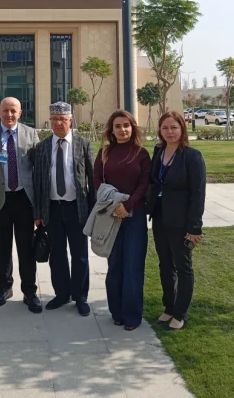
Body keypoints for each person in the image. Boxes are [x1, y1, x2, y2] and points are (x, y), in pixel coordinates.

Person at [0, 97, 41, 313]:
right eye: (5, 110)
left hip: (24, 199)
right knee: (1, 247)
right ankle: (4, 287)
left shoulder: (31, 134)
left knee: (26, 248)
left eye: (13, 111)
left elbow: (38, 169)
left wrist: (39, 204)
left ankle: (30, 291)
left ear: (20, 113)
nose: (9, 115)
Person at [34, 102, 95, 316]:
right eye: (54, 119)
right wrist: (38, 213)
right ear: (50, 121)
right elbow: (38, 181)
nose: (58, 123)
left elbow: (93, 179)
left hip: (77, 208)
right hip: (52, 208)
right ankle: (62, 294)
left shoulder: (82, 144)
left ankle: (80, 297)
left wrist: (94, 211)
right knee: (57, 255)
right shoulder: (42, 147)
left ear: (70, 120)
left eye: (63, 119)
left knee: (80, 255)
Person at [147, 111, 206, 330]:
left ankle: (180, 314)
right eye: (165, 128)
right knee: (165, 264)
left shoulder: (192, 156)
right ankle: (169, 307)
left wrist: (194, 227)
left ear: (182, 129)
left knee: (183, 266)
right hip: (160, 216)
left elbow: (198, 193)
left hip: (181, 220)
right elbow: (154, 182)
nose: (169, 132)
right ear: (160, 130)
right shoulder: (159, 151)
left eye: (174, 127)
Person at [93, 110, 151, 331]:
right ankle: (116, 312)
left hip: (134, 216)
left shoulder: (141, 154)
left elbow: (144, 183)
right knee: (115, 265)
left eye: (126, 125)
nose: (122, 130)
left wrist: (127, 205)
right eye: (117, 126)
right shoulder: (105, 153)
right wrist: (114, 203)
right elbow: (96, 180)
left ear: (132, 127)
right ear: (112, 129)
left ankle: (132, 315)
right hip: (111, 216)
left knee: (133, 265)